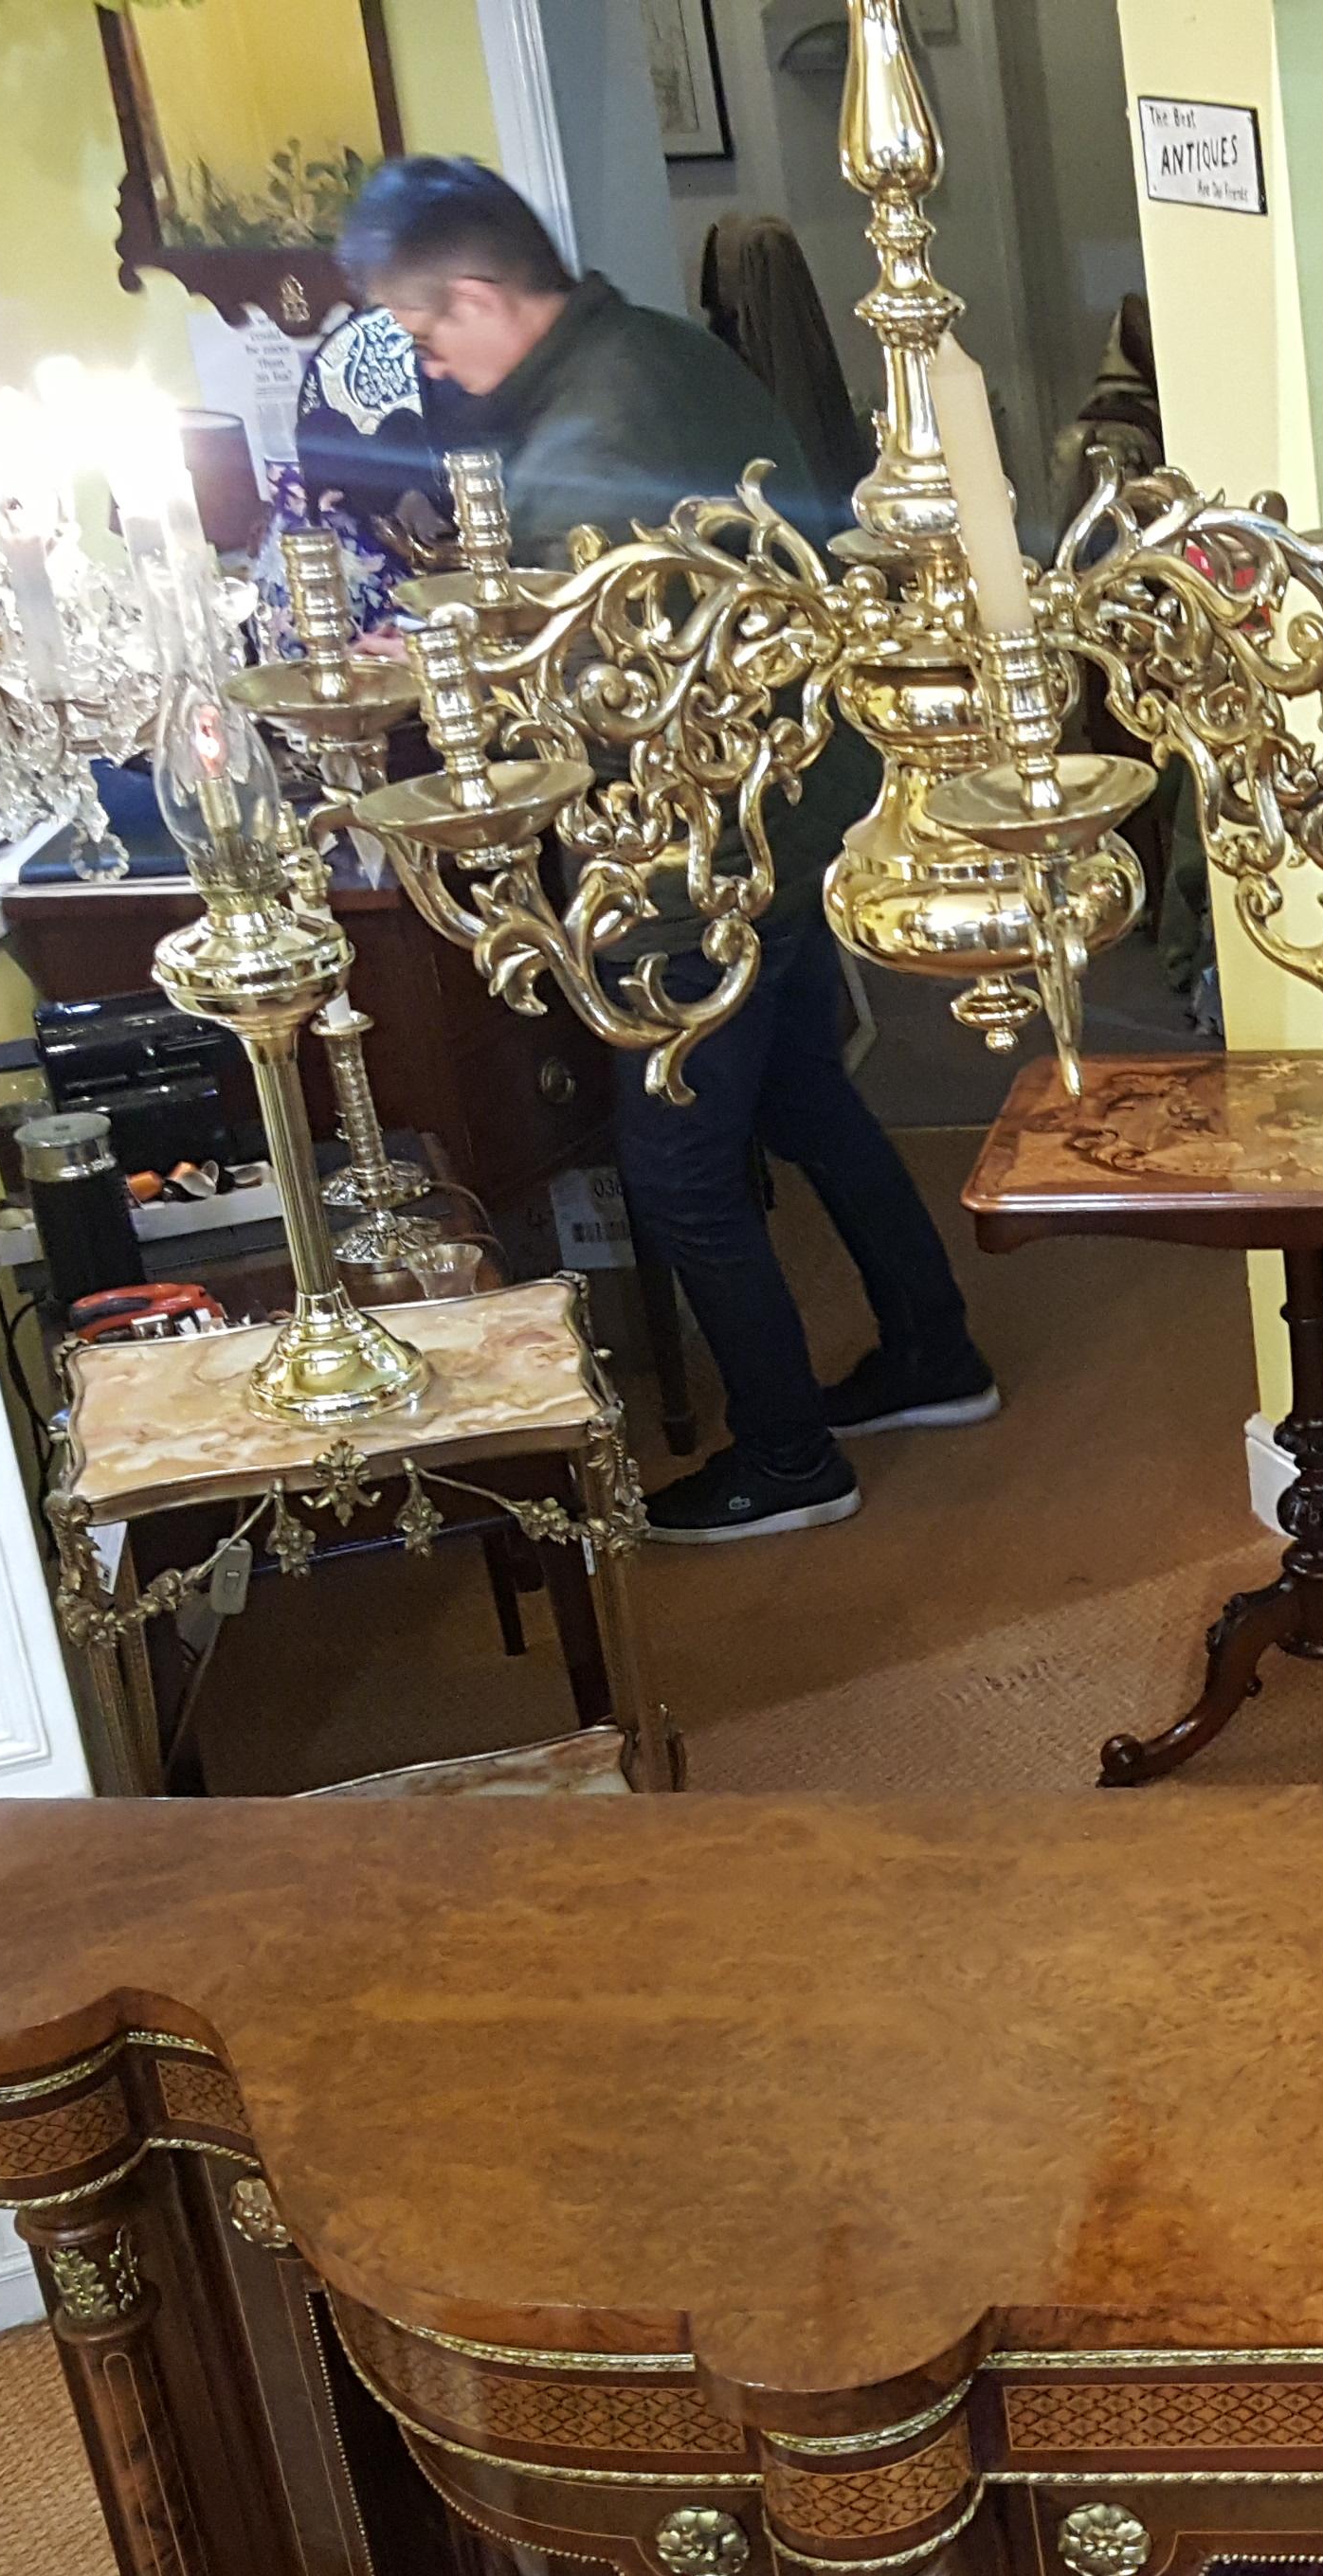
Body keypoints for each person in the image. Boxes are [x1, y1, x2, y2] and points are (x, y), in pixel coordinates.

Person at [338, 159, 999, 1543]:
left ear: (474, 295)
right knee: (807, 1094)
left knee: (680, 1170)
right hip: (803, 797)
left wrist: (437, 669)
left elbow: (586, 693)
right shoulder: (665, 354)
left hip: (689, 848)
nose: (433, 365)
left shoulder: (581, 438)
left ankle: (789, 1460)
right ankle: (934, 1356)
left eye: (427, 333)